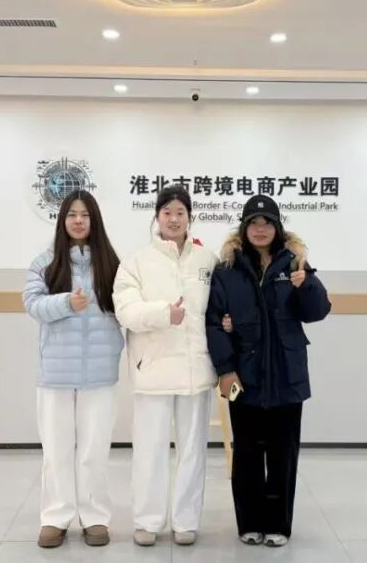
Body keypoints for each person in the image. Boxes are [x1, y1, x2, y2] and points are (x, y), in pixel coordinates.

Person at [206, 194, 331, 548]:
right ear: (244, 228)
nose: (260, 230)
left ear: (277, 228)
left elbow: (318, 310)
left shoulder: (295, 264)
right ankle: (249, 522)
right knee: (247, 453)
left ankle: (278, 524)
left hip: (287, 375)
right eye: (254, 223)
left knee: (282, 454)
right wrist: (226, 369)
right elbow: (214, 322)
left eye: (267, 223)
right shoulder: (227, 270)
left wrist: (305, 284)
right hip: (243, 377)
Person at [113, 185, 219, 547]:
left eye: (180, 213)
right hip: (153, 370)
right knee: (150, 450)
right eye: (167, 212)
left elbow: (220, 307)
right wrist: (163, 313)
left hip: (195, 370)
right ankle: (147, 521)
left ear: (190, 217)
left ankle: (186, 520)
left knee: (192, 450)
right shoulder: (136, 262)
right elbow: (126, 310)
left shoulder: (207, 261)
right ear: (157, 217)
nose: (174, 219)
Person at [22, 190, 123, 549]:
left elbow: (126, 307)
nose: (78, 221)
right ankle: (55, 517)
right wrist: (67, 302)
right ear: (62, 220)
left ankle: (95, 517)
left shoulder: (112, 263)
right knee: (57, 450)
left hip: (100, 373)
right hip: (55, 375)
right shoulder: (45, 262)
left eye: (85, 215)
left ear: (94, 220)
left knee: (94, 450)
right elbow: (32, 304)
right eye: (72, 215)